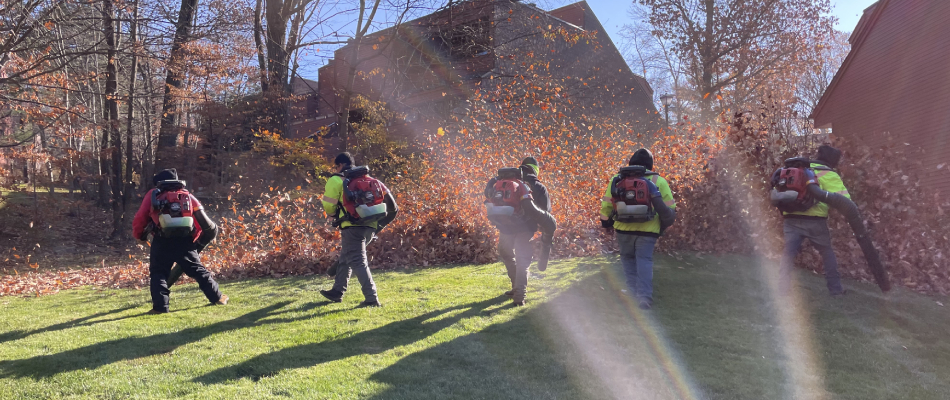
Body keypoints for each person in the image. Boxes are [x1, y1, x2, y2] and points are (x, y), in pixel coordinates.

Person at [132, 168, 226, 314]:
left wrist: (139, 236)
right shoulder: (188, 196)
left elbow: (140, 218)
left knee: (158, 273)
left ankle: (160, 308)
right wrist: (194, 240)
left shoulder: (153, 195)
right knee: (198, 270)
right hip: (185, 241)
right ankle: (217, 297)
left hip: (161, 240)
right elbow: (202, 222)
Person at [600, 149, 676, 310]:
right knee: (644, 261)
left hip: (623, 229)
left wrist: (606, 223)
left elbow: (606, 204)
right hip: (648, 230)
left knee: (627, 259)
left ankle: (631, 291)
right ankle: (644, 297)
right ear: (650, 164)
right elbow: (670, 209)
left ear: (631, 162)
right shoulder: (658, 180)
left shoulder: (616, 179)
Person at [319, 153, 398, 307]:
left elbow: (328, 205)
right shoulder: (370, 180)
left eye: (336, 166)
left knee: (357, 261)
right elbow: (393, 207)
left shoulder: (336, 180)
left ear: (340, 165)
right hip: (370, 225)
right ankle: (337, 291)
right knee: (346, 257)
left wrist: (334, 215)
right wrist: (378, 225)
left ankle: (371, 299)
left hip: (351, 226)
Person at [779, 145, 849, 296]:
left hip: (791, 219)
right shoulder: (828, 174)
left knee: (788, 254)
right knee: (827, 252)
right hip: (815, 221)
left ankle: (782, 290)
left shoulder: (800, 168)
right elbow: (845, 200)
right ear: (833, 161)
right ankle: (835, 290)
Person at [484, 157, 554, 306]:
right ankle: (519, 294)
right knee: (523, 260)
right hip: (525, 228)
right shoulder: (537, 186)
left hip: (505, 226)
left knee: (507, 254)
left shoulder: (504, 180)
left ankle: (516, 288)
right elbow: (546, 212)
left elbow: (488, 194)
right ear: (535, 169)